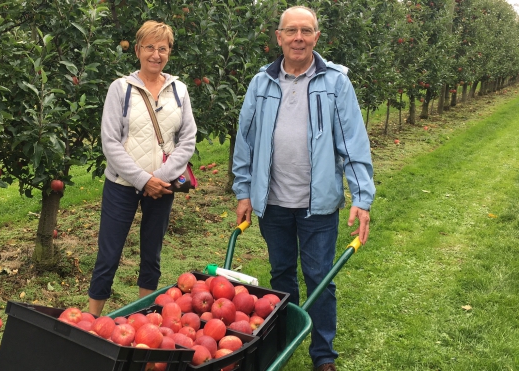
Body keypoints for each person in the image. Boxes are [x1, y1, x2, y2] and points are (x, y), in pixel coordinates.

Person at [231, 6, 374, 371]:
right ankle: (283, 342)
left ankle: (323, 354)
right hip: (273, 202)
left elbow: (352, 142)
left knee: (320, 279)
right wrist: (244, 191)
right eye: (291, 30)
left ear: (316, 37)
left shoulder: (336, 83)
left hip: (319, 205)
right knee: (280, 277)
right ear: (278, 37)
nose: (299, 37)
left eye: (306, 31)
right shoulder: (261, 82)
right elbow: (244, 142)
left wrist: (362, 197)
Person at [88, 21, 197, 317]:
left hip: (161, 188)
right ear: (137, 50)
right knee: (108, 255)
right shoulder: (120, 89)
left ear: (169, 52)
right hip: (121, 185)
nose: (155, 54)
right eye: (149, 47)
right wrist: (141, 179)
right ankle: (93, 317)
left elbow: (187, 140)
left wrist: (157, 179)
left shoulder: (179, 91)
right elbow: (110, 142)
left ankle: (145, 316)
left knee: (152, 255)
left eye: (162, 48)